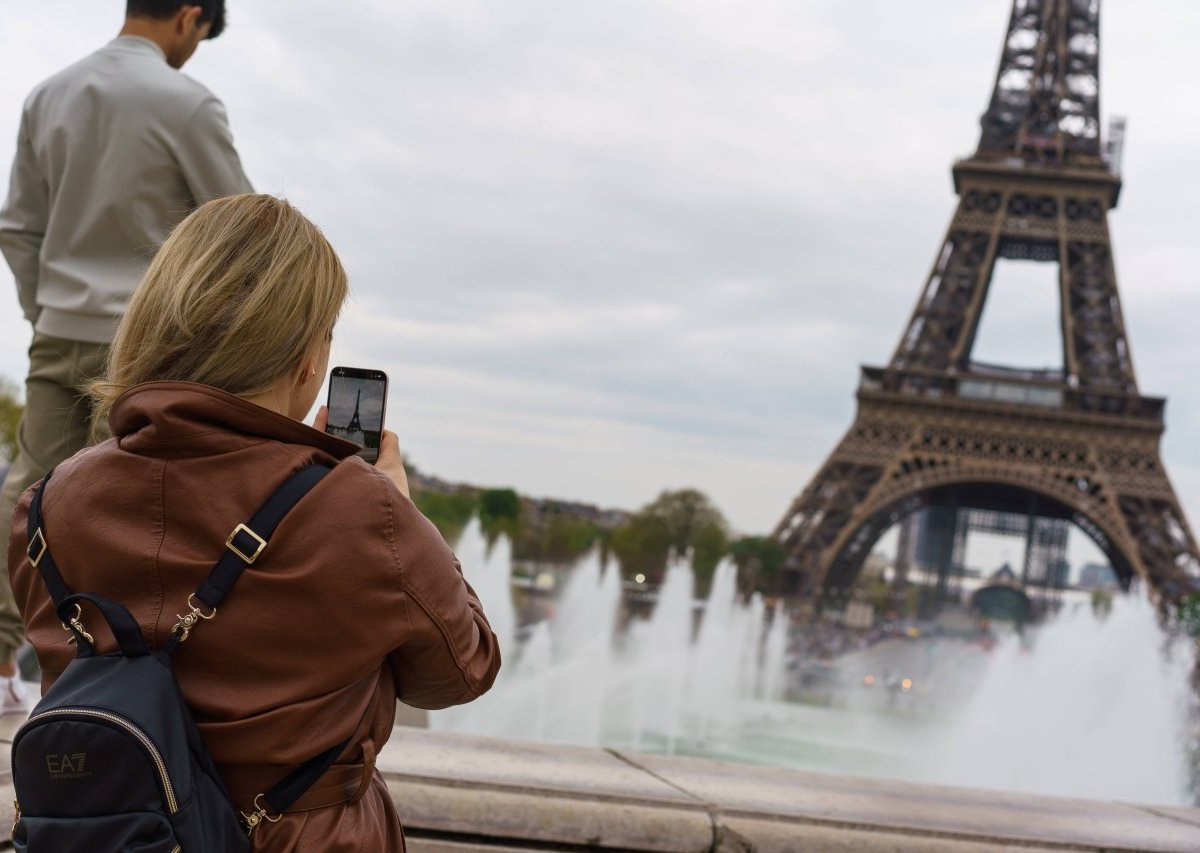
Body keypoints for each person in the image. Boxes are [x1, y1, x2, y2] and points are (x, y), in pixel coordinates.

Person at [7, 194, 501, 849]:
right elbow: (462, 670)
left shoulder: (45, 504)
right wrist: (399, 510)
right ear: (304, 357)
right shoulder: (361, 509)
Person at [0, 0, 253, 708]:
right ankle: (119, 683)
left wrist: (43, 306)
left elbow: (18, 228)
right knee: (144, 507)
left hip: (60, 322)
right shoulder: (190, 104)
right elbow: (242, 233)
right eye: (201, 37)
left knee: (31, 491)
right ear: (192, 17)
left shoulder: (48, 94)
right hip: (151, 343)